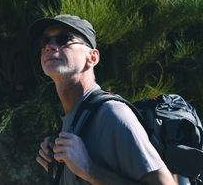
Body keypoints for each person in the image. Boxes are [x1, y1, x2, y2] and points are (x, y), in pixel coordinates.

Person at [28, 14, 176, 185]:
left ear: (92, 57)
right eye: (45, 41)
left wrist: (90, 170)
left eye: (64, 39)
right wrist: (59, 170)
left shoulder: (112, 114)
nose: (50, 46)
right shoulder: (71, 119)